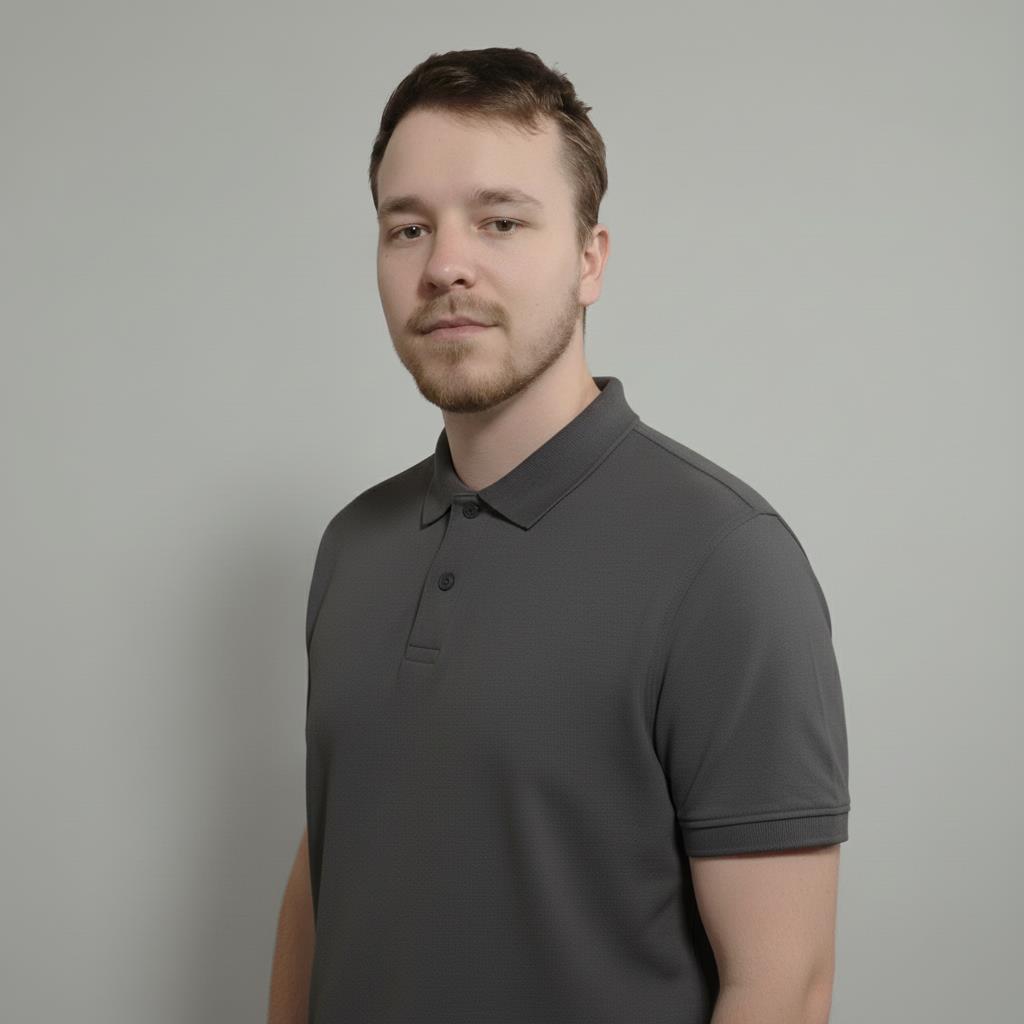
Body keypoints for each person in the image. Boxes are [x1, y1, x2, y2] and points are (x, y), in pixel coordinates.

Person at [268, 46, 850, 1024]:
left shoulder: (724, 560)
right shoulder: (353, 546)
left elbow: (783, 987)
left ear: (590, 259)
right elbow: (329, 873)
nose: (444, 265)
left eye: (500, 221)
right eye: (408, 227)